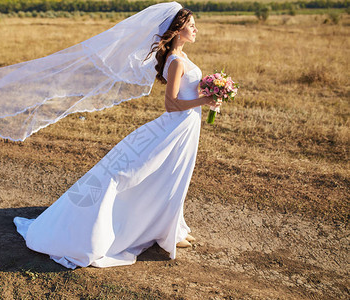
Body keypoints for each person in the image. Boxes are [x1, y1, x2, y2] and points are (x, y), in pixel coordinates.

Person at [13, 4, 222, 269]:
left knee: (175, 176)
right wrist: (204, 100)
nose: (195, 29)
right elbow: (171, 105)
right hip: (175, 127)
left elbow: (187, 94)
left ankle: (171, 228)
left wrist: (209, 95)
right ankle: (154, 230)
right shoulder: (177, 61)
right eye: (191, 25)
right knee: (156, 174)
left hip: (187, 127)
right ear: (178, 30)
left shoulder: (181, 56)